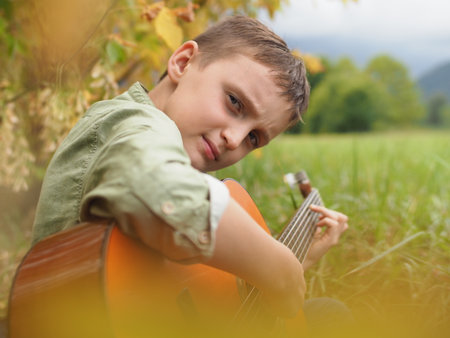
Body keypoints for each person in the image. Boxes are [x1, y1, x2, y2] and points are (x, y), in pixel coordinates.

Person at [31, 15, 348, 333]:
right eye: (234, 102)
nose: (234, 140)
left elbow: (196, 293)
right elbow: (156, 186)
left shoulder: (169, 149)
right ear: (182, 63)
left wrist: (290, 266)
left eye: (254, 138)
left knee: (325, 313)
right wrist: (275, 265)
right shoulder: (133, 122)